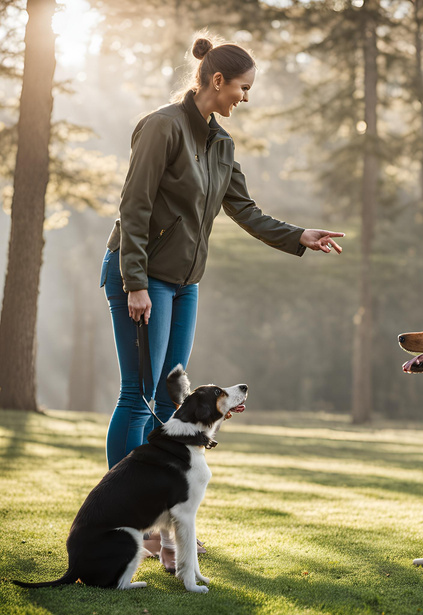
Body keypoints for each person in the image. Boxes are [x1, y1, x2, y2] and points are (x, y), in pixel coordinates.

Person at [99, 33, 344, 571]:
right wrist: (134, 280)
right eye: (243, 87)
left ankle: (165, 534)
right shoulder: (162, 126)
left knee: (171, 398)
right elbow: (134, 206)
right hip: (141, 277)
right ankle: (128, 523)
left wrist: (297, 234)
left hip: (185, 283)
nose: (245, 97)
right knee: (138, 396)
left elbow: (244, 209)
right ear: (217, 81)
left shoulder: (221, 144)